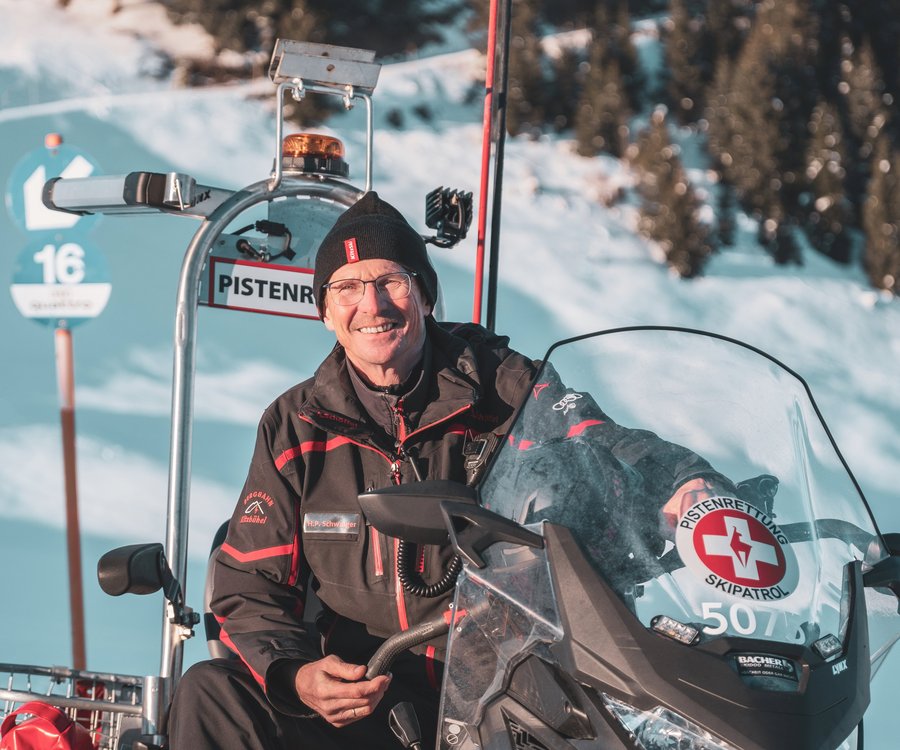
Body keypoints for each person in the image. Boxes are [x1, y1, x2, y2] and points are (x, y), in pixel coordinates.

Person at [167, 192, 730, 750]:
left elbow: (599, 439)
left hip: (504, 685)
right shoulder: (296, 425)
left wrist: (685, 484)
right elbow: (250, 585)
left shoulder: (508, 389)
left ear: (426, 295)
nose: (372, 305)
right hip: (367, 690)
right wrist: (297, 677)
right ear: (324, 311)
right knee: (212, 692)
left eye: (391, 281)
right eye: (347, 288)